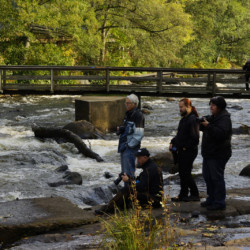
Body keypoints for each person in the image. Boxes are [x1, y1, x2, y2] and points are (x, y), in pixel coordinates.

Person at [95, 148, 163, 215]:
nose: (137, 160)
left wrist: (128, 180)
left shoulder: (150, 169)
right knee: (128, 191)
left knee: (127, 190)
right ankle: (114, 207)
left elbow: (141, 187)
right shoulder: (149, 166)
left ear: (145, 157)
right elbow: (139, 180)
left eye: (139, 158)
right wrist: (129, 177)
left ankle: (107, 210)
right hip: (152, 197)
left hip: (154, 200)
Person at [200, 96, 232, 210]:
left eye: (213, 105)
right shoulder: (214, 117)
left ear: (219, 107)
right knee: (208, 177)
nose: (211, 107)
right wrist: (201, 122)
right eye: (210, 105)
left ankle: (219, 202)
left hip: (219, 154)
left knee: (216, 178)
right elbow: (206, 127)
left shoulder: (224, 119)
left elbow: (220, 134)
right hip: (209, 153)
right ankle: (211, 198)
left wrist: (207, 126)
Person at [169, 98, 200, 202]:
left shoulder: (192, 119)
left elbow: (195, 139)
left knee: (185, 173)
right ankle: (183, 194)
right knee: (182, 173)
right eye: (179, 107)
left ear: (188, 106)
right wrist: (172, 141)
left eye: (181, 107)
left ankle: (195, 194)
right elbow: (180, 135)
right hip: (182, 150)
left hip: (189, 151)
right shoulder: (184, 119)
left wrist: (185, 146)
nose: (180, 109)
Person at [117, 94, 144, 179]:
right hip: (123, 145)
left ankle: (130, 191)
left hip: (130, 148)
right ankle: (127, 191)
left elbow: (139, 134)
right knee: (124, 173)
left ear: (134, 104)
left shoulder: (138, 115)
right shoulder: (128, 114)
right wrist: (122, 129)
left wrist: (129, 145)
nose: (126, 105)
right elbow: (129, 129)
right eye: (126, 103)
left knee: (129, 174)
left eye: (128, 103)